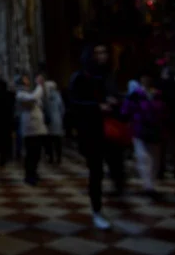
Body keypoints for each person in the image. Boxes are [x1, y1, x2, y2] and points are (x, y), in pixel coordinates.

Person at [69, 43, 125, 230]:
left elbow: (112, 96)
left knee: (116, 165)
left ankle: (116, 193)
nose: (103, 56)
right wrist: (97, 106)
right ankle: (97, 210)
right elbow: (75, 104)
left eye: (104, 52)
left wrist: (114, 101)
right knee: (96, 172)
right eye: (98, 53)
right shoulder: (80, 77)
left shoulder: (108, 76)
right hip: (92, 131)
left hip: (110, 129)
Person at [122, 74, 166, 198]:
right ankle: (147, 184)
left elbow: (164, 110)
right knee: (143, 157)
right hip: (140, 129)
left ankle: (151, 183)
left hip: (155, 129)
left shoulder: (158, 94)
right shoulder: (135, 95)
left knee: (155, 157)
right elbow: (126, 110)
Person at [16, 73, 47, 185]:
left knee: (37, 153)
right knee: (31, 153)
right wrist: (39, 85)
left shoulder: (29, 92)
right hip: (30, 128)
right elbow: (34, 97)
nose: (27, 81)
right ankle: (29, 175)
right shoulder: (20, 94)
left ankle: (34, 172)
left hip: (37, 127)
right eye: (25, 80)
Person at [44, 81, 65, 165]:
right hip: (57, 120)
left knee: (50, 141)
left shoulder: (46, 97)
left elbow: (44, 109)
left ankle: (51, 157)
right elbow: (62, 108)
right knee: (57, 141)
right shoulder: (58, 96)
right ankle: (58, 157)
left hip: (49, 121)